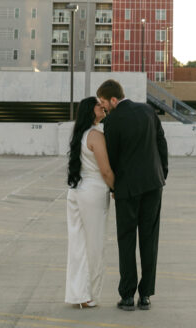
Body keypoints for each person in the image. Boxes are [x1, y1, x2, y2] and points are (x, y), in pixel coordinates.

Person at [96, 78, 168, 311]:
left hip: (127, 189)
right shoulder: (148, 110)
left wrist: (115, 188)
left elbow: (112, 158)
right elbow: (161, 143)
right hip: (153, 185)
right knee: (150, 239)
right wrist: (162, 174)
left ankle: (127, 296)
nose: (103, 107)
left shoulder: (112, 121)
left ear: (114, 99)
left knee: (126, 240)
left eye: (104, 102)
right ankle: (145, 295)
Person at [65, 96, 115, 308]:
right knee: (94, 245)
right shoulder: (95, 135)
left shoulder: (81, 134)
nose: (102, 106)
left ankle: (77, 293)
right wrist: (115, 188)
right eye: (98, 104)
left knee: (78, 244)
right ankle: (88, 295)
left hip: (77, 191)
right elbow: (105, 170)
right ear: (90, 111)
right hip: (93, 193)